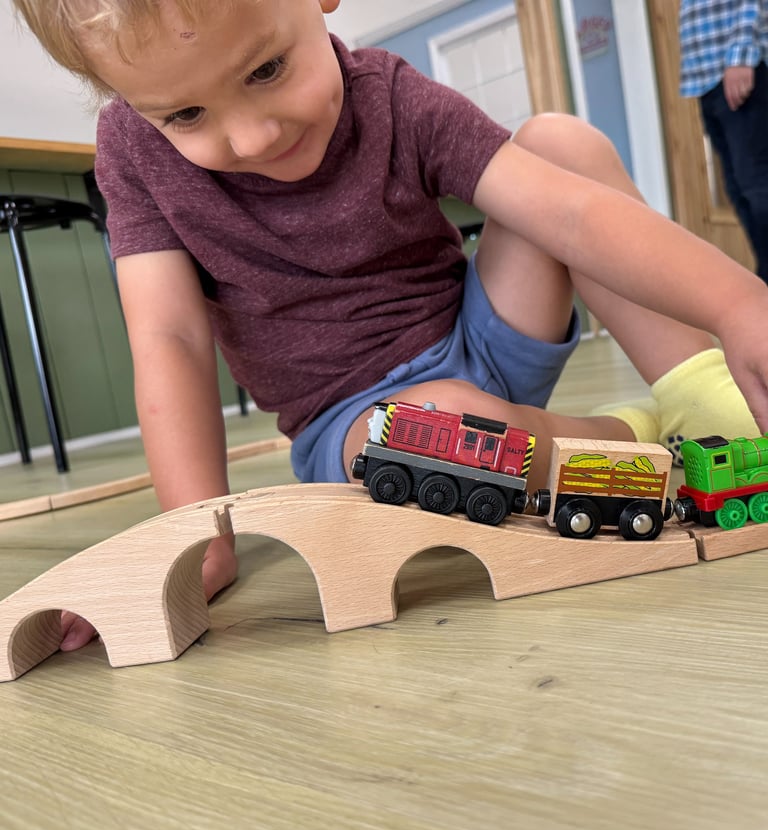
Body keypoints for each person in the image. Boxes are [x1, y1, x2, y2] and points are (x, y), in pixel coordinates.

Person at [12, 0, 768, 652]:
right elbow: (168, 338)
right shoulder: (135, 152)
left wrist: (739, 303)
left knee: (560, 145)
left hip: (486, 337)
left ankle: (700, 392)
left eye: (266, 70)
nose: (250, 138)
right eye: (187, 114)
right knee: (428, 428)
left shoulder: (394, 97)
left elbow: (569, 214)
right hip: (357, 426)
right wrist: (195, 539)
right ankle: (629, 436)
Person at [679, 0, 768, 283]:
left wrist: (740, 56)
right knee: (739, 188)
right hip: (707, 73)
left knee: (757, 187)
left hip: (740, 67)